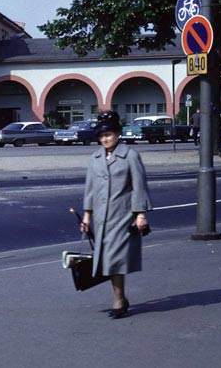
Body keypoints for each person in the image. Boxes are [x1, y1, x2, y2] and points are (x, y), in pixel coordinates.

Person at [80, 111, 152, 319]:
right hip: (101, 218)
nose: (105, 139)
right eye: (101, 136)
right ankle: (120, 296)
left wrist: (141, 215)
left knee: (114, 258)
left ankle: (119, 300)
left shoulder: (130, 155)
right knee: (107, 260)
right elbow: (90, 189)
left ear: (118, 134)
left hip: (123, 216)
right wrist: (86, 216)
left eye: (109, 134)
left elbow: (139, 186)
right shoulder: (95, 158)